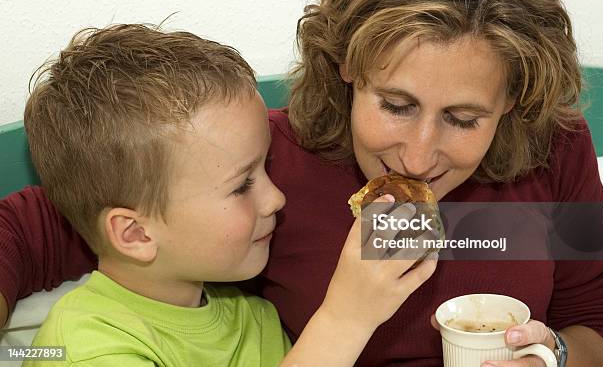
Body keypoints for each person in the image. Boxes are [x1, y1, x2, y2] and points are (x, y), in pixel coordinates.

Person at [0, 0, 603, 366]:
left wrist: (550, 352)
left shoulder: (554, 150)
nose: (419, 155)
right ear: (347, 65)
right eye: (395, 105)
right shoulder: (259, 164)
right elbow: (37, 229)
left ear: (513, 102)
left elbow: (598, 325)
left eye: (464, 118)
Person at [14, 23, 436, 366]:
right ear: (135, 235)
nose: (276, 199)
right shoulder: (87, 347)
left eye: (266, 168)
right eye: (242, 185)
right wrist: (345, 319)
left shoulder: (252, 315)